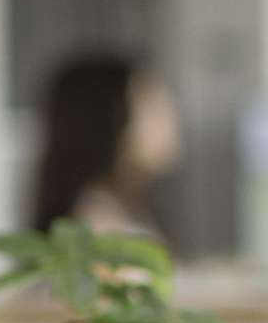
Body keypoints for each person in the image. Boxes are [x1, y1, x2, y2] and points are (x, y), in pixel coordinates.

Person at [25, 51, 178, 236]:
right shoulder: (99, 226)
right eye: (152, 108)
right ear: (108, 122)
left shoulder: (126, 209)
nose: (170, 121)